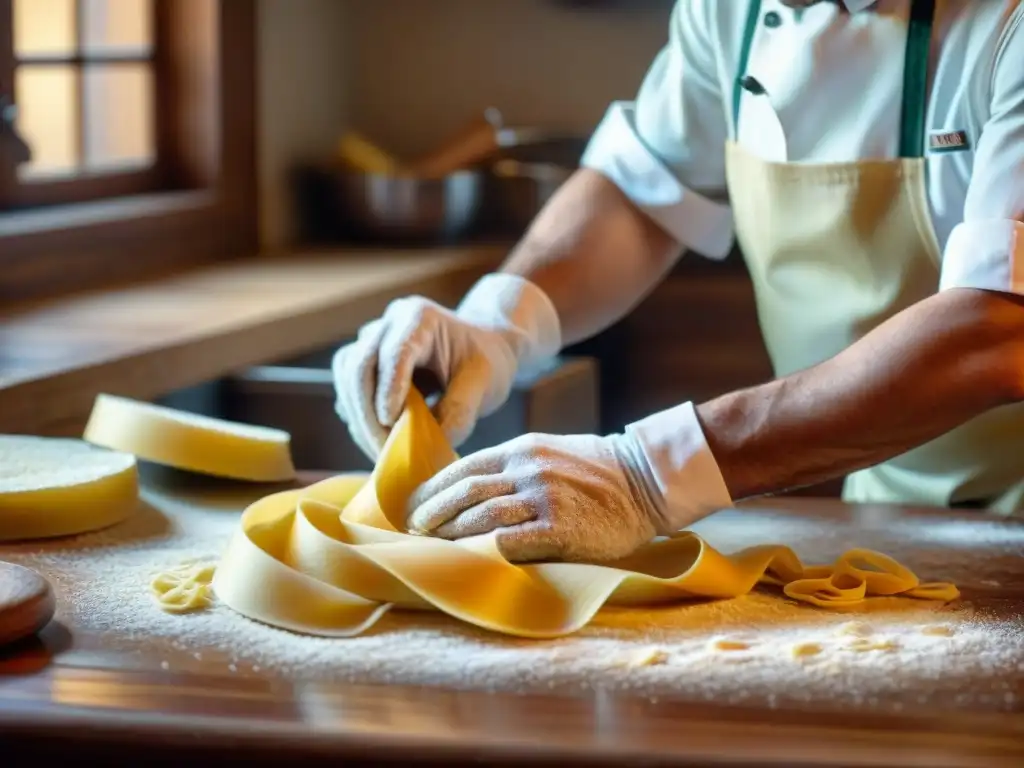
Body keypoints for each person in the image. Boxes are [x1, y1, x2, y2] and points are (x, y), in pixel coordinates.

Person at [333, 0, 1024, 564]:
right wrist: (498, 318)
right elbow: (643, 194)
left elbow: (998, 331)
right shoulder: (729, 11)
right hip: (894, 505)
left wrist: (649, 471)